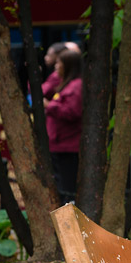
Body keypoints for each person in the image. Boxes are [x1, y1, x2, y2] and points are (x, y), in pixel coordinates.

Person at [44, 49, 83, 203]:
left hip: (67, 146)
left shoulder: (76, 86)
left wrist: (49, 106)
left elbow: (72, 112)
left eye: (59, 62)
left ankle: (69, 227)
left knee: (67, 191)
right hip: (59, 144)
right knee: (61, 190)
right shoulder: (65, 83)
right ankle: (65, 226)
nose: (56, 66)